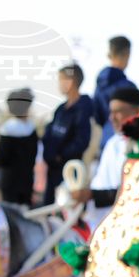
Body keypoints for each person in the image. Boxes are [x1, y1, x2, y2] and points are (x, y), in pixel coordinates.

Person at [73, 86, 139, 231]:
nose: (111, 118)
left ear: (138, 111)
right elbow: (101, 184)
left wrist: (93, 195)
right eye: (110, 112)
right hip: (110, 227)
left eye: (117, 111)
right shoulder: (112, 144)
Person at [41, 64, 93, 206]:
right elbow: (49, 132)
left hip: (69, 174)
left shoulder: (83, 109)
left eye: (61, 80)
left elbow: (82, 141)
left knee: (64, 211)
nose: (59, 85)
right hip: (53, 171)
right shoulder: (60, 109)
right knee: (49, 208)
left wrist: (61, 155)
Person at [0, 88, 39, 206]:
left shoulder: (7, 130)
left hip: (9, 182)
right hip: (27, 182)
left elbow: (2, 158)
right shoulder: (31, 130)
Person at [93, 36, 136, 149]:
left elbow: (96, 114)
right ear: (127, 54)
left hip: (104, 140)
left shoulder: (100, 84)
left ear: (110, 55)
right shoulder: (128, 87)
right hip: (125, 142)